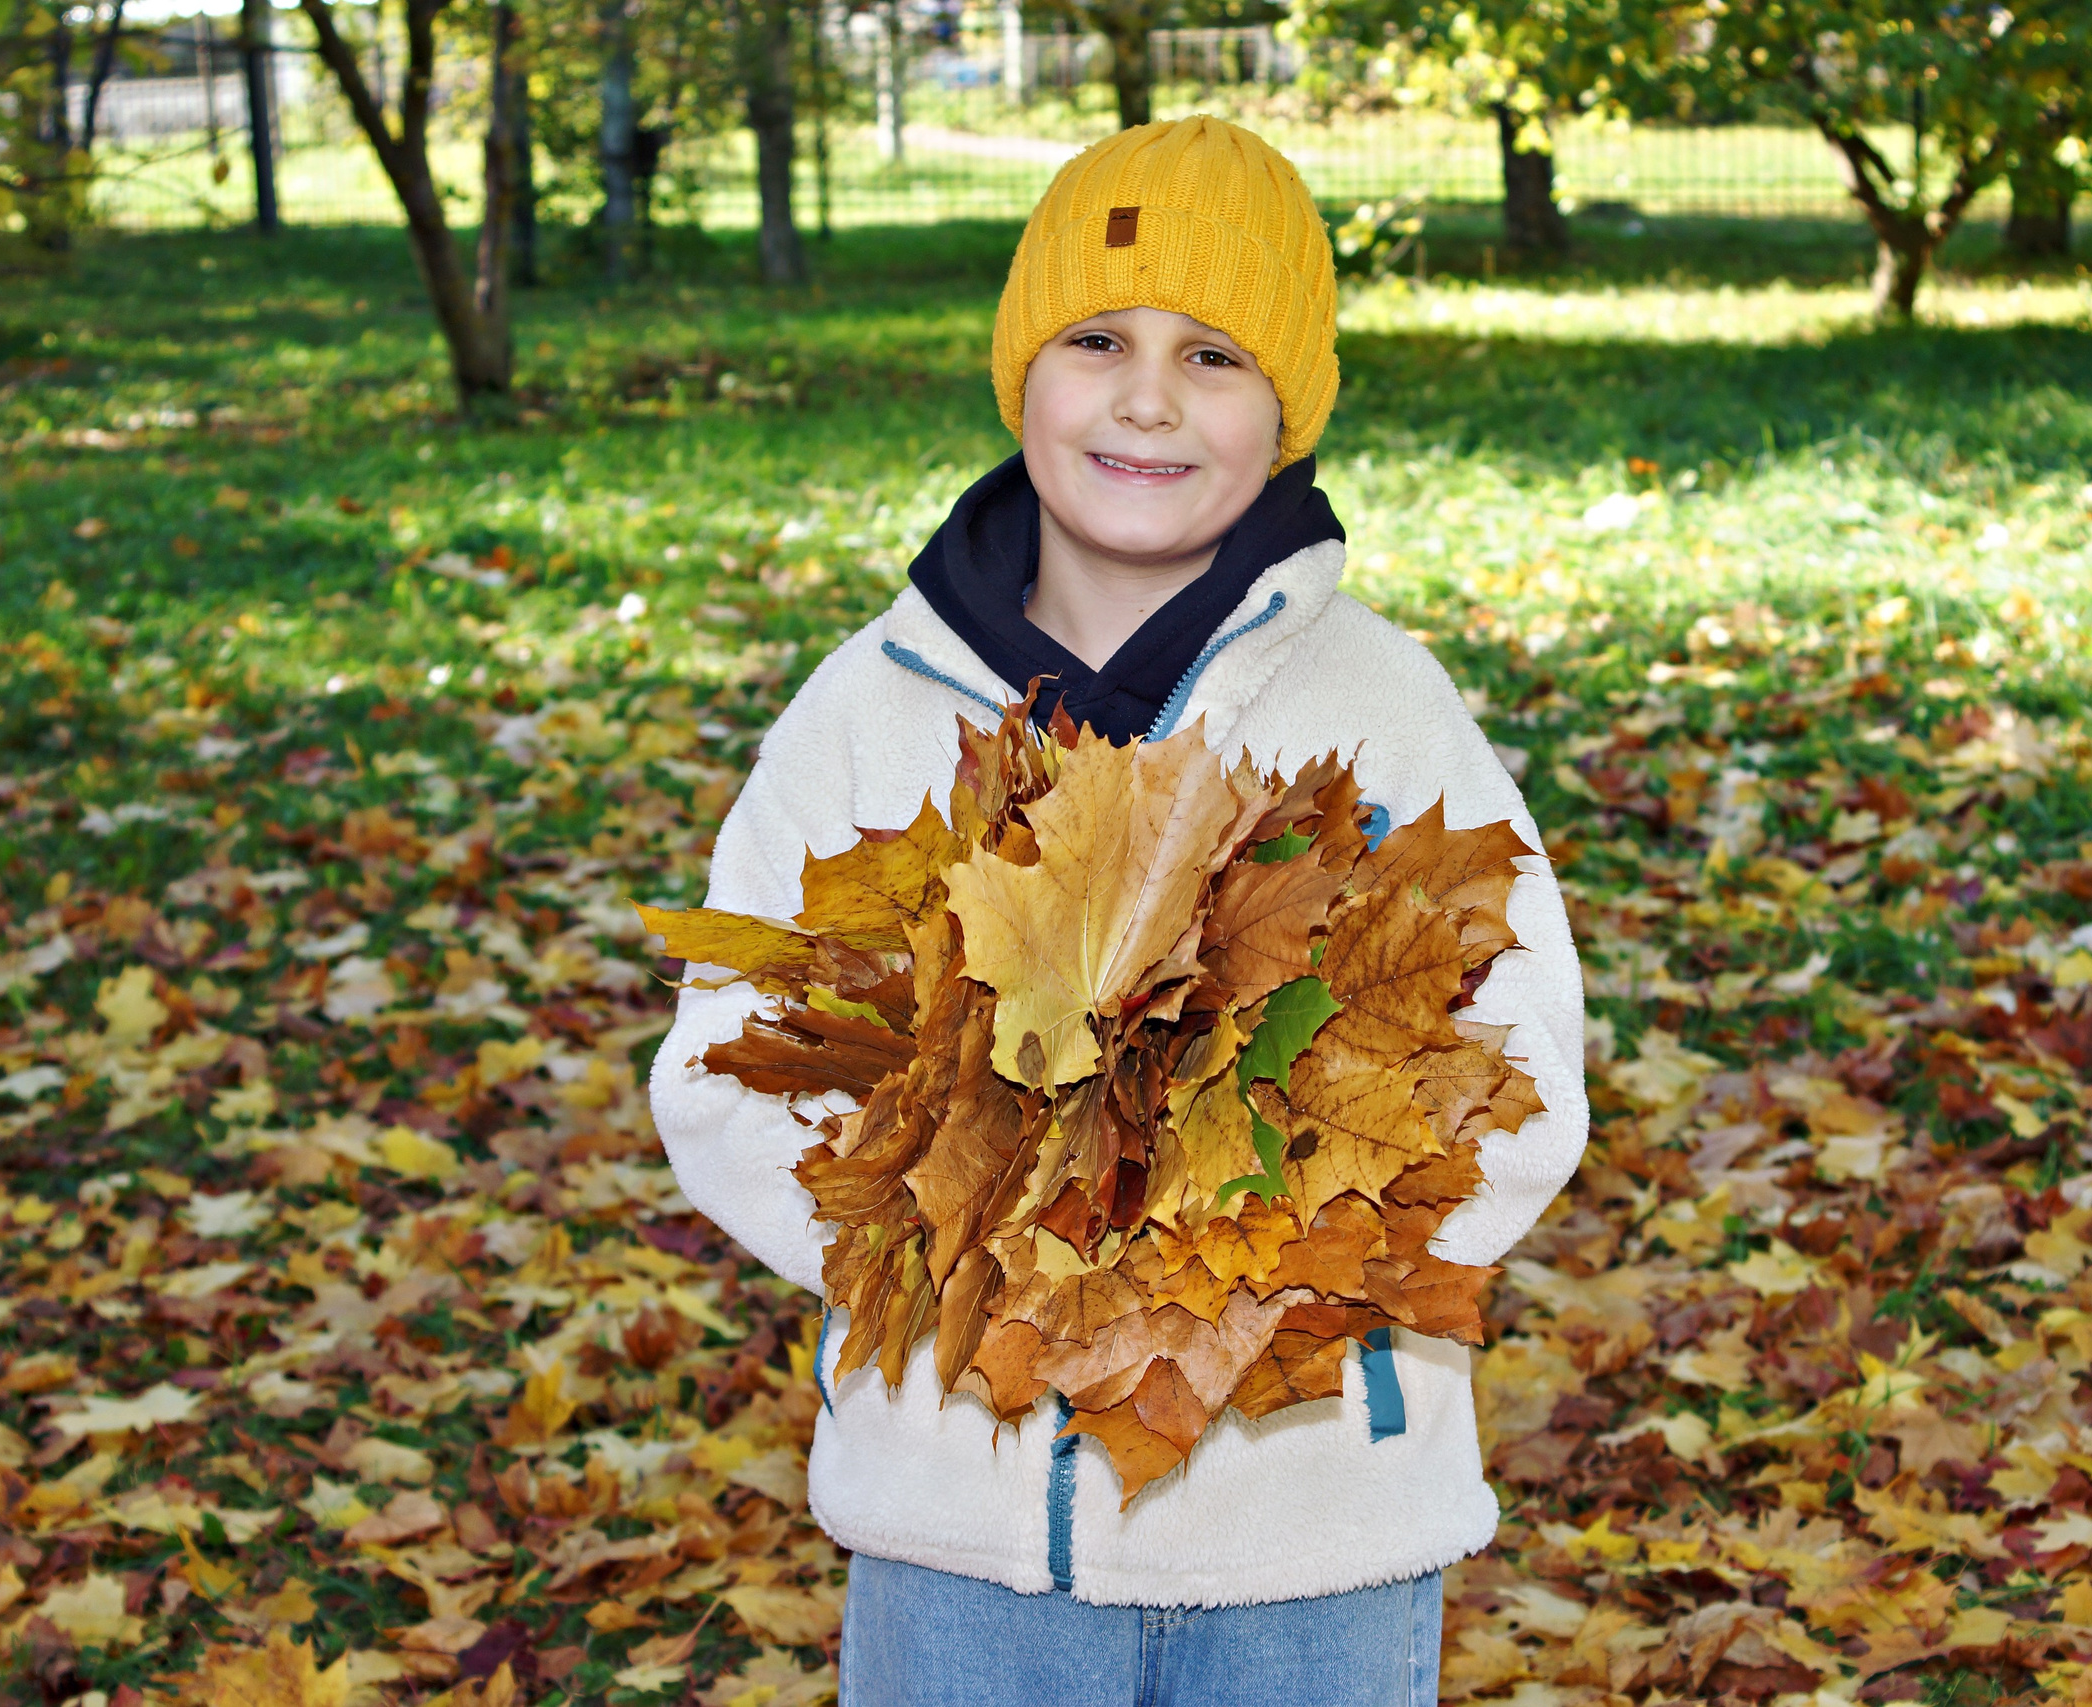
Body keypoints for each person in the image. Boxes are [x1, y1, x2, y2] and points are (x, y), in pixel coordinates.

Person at [650, 114, 1587, 1706]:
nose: (1148, 398)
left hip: (1312, 1538)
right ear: (1023, 368)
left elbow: (1518, 1073)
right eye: (1099, 340)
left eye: (1214, 356)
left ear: (1287, 412)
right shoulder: (869, 716)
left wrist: (1231, 1284)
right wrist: (981, 1266)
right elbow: (731, 1068)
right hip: (960, 1530)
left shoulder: (1381, 712)